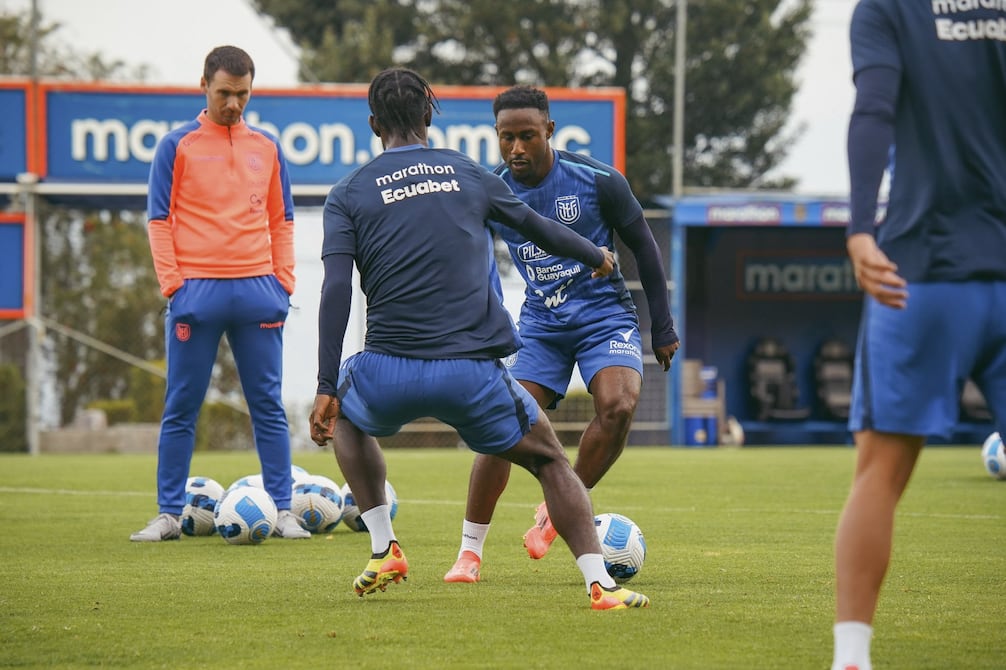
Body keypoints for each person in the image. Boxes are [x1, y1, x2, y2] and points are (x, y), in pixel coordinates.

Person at [309, 66, 649, 610]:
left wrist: (327, 384)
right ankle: (600, 585)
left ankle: (383, 548)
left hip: (388, 369)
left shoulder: (347, 193)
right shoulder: (467, 173)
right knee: (551, 462)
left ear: (374, 126)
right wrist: (597, 255)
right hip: (472, 374)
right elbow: (541, 227)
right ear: (428, 116)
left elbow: (333, 291)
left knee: (345, 413)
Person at [444, 85, 679, 583]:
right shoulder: (494, 188)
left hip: (604, 317)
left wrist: (663, 325)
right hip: (541, 324)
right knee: (498, 422)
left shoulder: (598, 180)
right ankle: (469, 552)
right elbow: (462, 255)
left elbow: (645, 248)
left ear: (549, 130)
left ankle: (555, 513)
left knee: (618, 406)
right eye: (506, 138)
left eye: (528, 136)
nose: (517, 149)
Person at [833, 3, 1006, 669]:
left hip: (923, 275)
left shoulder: (887, 7)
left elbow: (873, 110)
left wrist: (858, 226)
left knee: (880, 473)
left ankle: (852, 659)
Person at [131, 45, 309, 542]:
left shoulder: (267, 147)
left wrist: (283, 282)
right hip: (196, 294)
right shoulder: (177, 145)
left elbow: (282, 219)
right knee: (182, 404)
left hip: (259, 293)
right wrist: (174, 285)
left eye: (243, 94)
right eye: (225, 93)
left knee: (267, 405)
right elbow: (159, 220)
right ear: (205, 86)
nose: (234, 104)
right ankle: (169, 514)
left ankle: (282, 510)